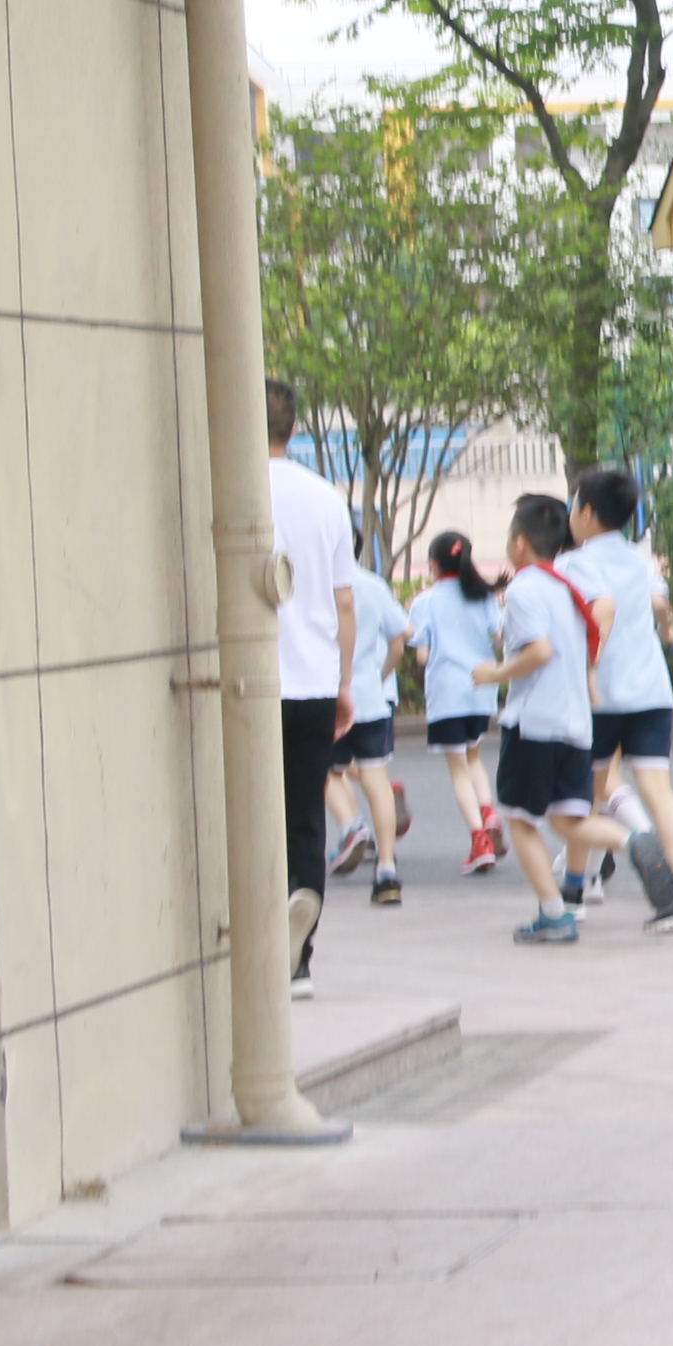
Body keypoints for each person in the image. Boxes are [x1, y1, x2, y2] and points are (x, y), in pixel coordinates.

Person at [475, 493, 624, 945]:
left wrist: (494, 673)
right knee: (570, 821)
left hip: (534, 721)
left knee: (522, 821)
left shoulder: (523, 588)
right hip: (575, 722)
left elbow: (538, 652)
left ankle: (554, 912)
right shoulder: (566, 588)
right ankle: (637, 843)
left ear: (520, 543)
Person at [568, 467, 673, 932]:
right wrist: (667, 630)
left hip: (598, 696)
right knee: (658, 789)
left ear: (586, 512)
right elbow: (660, 606)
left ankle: (573, 888)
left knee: (583, 797)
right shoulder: (641, 561)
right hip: (651, 689)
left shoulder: (574, 564)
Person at [264, 379, 359, 999]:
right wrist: (344, 682)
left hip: (250, 684)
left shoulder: (228, 487)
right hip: (314, 683)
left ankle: (257, 943)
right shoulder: (325, 497)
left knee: (247, 816)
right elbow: (344, 602)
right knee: (305, 815)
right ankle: (299, 961)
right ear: (294, 428)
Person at [409, 532, 507, 876]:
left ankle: (479, 839)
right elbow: (499, 636)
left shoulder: (426, 602)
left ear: (433, 565)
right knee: (474, 758)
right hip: (481, 690)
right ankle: (489, 810)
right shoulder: (483, 598)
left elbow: (422, 655)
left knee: (458, 770)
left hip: (447, 693)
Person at [328, 552, 412, 905]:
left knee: (325, 770)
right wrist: (380, 676)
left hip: (329, 694)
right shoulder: (373, 585)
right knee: (377, 778)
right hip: (370, 695)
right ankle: (387, 870)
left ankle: (351, 825)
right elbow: (400, 638)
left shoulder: (320, 585)